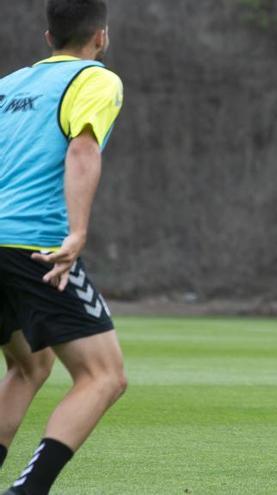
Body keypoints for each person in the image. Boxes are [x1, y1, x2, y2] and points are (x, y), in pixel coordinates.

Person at [0, 0, 126, 493]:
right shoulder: (95, 79)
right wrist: (75, 233)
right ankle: (28, 490)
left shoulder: (6, 87)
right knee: (104, 376)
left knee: (31, 363)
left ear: (47, 38)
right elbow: (81, 147)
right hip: (35, 246)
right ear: (101, 38)